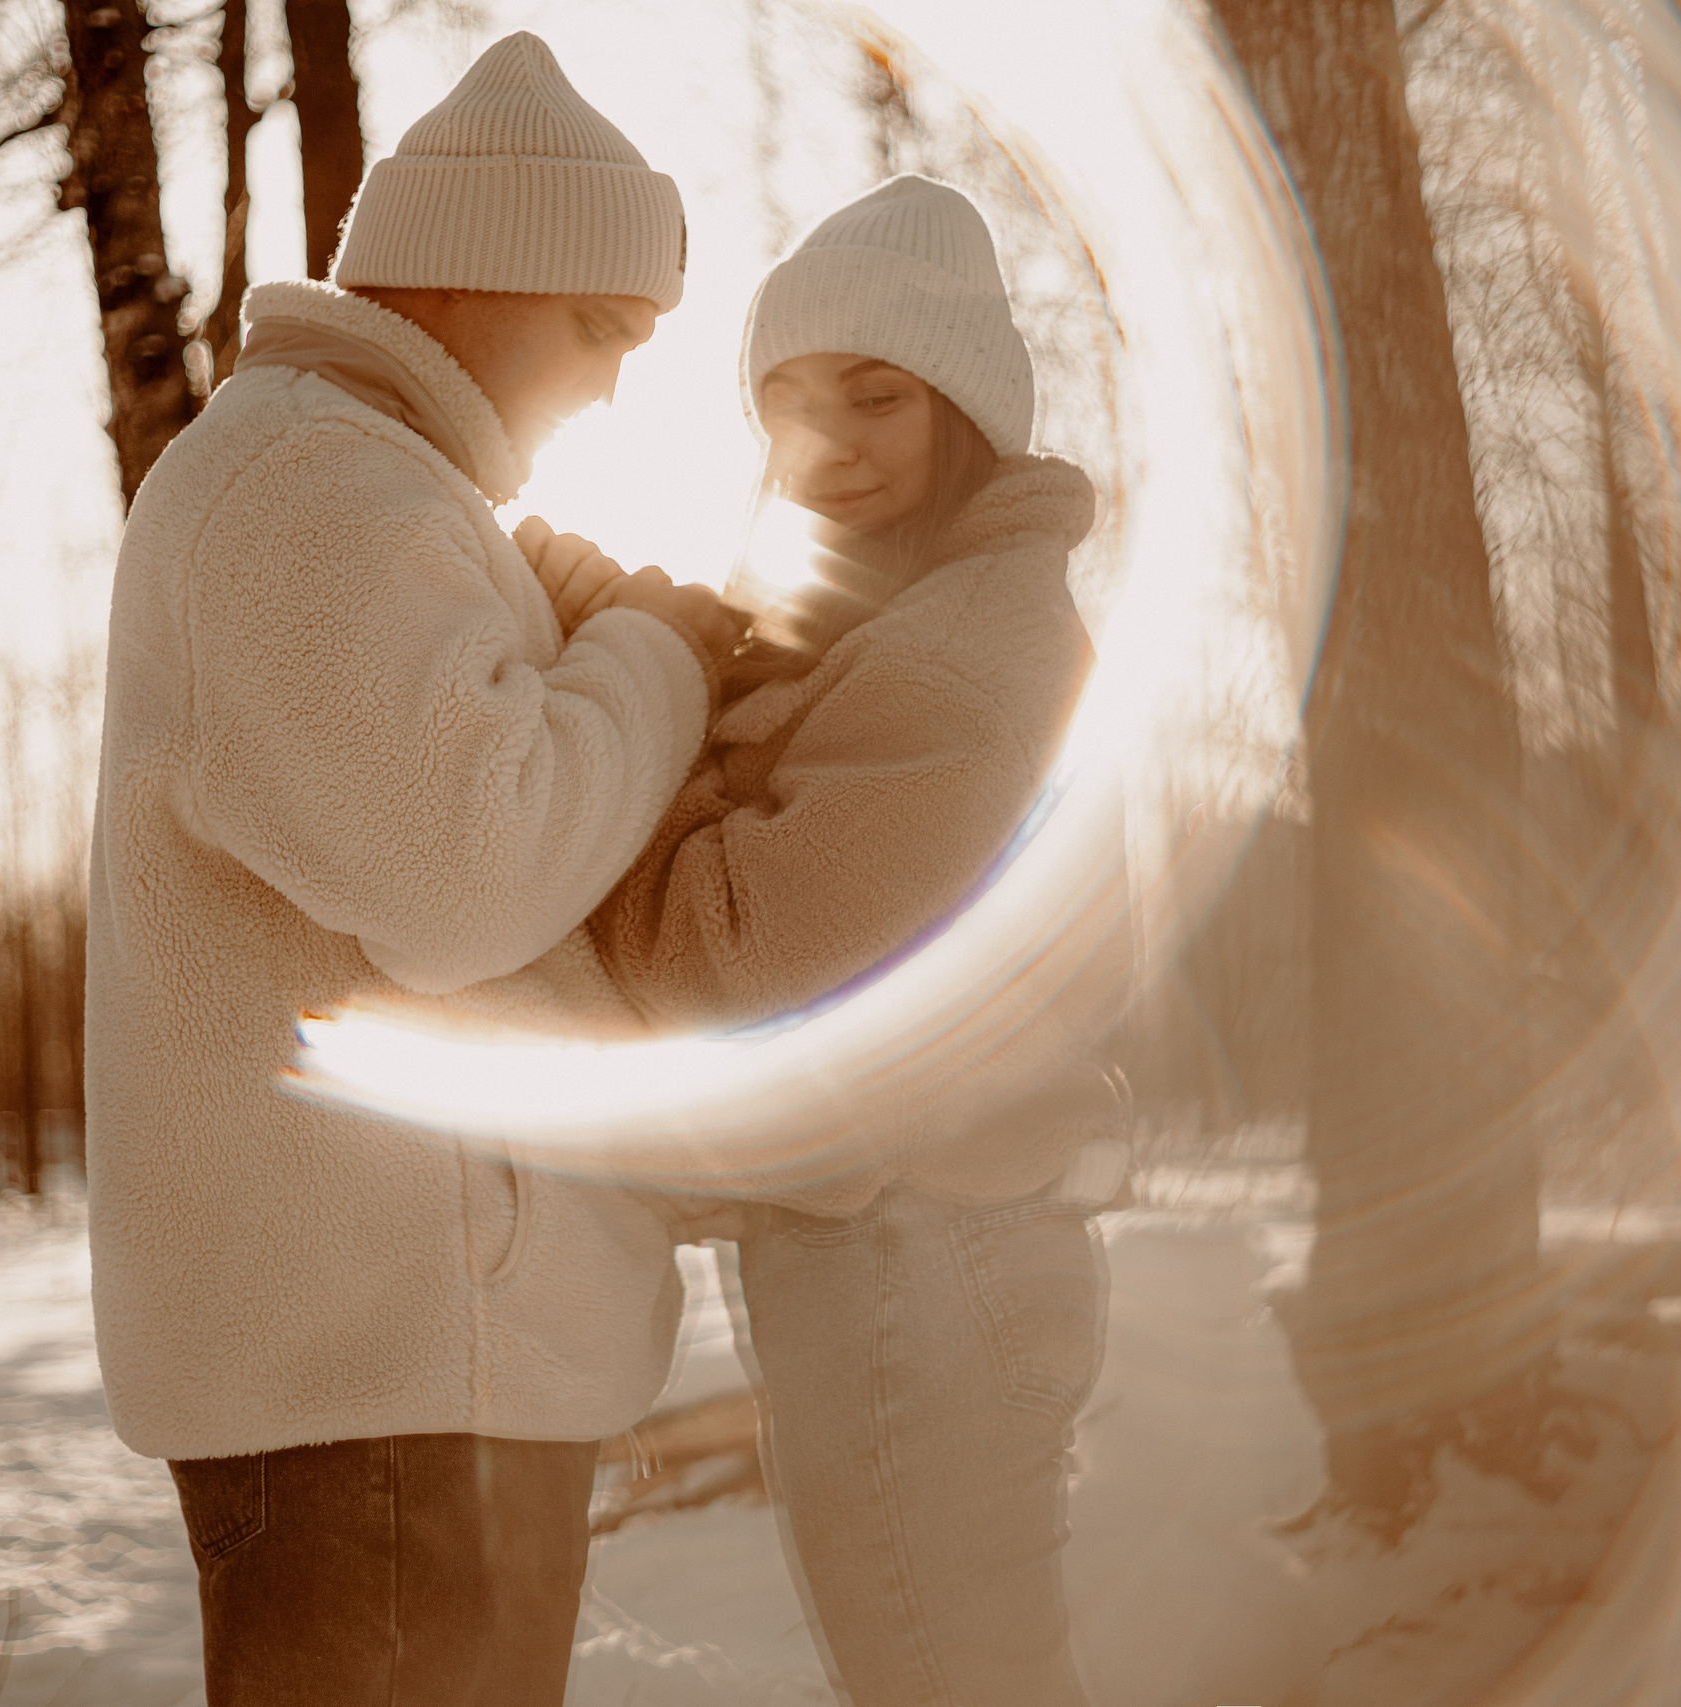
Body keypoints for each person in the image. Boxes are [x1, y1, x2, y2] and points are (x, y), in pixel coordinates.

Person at [82, 34, 739, 1707]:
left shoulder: (366, 491)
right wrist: (650, 658)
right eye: (599, 328)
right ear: (467, 280)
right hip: (379, 1386)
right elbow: (469, 872)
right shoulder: (312, 487)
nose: (608, 385)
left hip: (415, 1372)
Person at [579, 175, 1123, 1707]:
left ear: (965, 409)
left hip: (920, 1261)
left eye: (875, 398)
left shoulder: (963, 657)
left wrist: (642, 748)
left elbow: (735, 964)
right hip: (931, 1249)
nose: (826, 443)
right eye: (791, 404)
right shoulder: (919, 619)